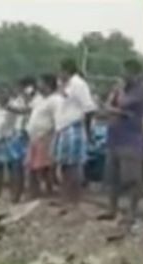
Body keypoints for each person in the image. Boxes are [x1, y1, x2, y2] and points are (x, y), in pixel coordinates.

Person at [99, 59, 143, 226]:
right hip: (115, 137)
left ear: (136, 73)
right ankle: (112, 209)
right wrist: (115, 106)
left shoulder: (140, 90)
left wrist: (114, 103)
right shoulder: (122, 89)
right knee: (112, 177)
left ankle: (131, 213)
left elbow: (122, 104)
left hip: (131, 139)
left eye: (127, 72)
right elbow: (109, 107)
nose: (123, 75)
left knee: (132, 178)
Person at [54, 58, 97, 206]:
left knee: (74, 166)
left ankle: (74, 200)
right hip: (64, 128)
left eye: (60, 70)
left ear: (66, 70)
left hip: (75, 127)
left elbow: (89, 108)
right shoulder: (66, 85)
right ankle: (66, 198)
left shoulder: (79, 84)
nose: (58, 73)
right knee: (64, 165)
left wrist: (87, 131)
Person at [25, 74, 63, 198]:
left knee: (44, 168)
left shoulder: (55, 100)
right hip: (35, 137)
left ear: (47, 84)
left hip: (45, 137)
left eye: (41, 83)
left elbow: (58, 120)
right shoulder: (41, 99)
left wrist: (52, 137)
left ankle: (48, 193)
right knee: (33, 167)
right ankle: (35, 193)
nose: (38, 85)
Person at [0, 85, 22, 201]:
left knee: (13, 168)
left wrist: (8, 107)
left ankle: (15, 194)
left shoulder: (13, 106)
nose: (0, 96)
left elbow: (20, 112)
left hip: (10, 139)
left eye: (3, 94)